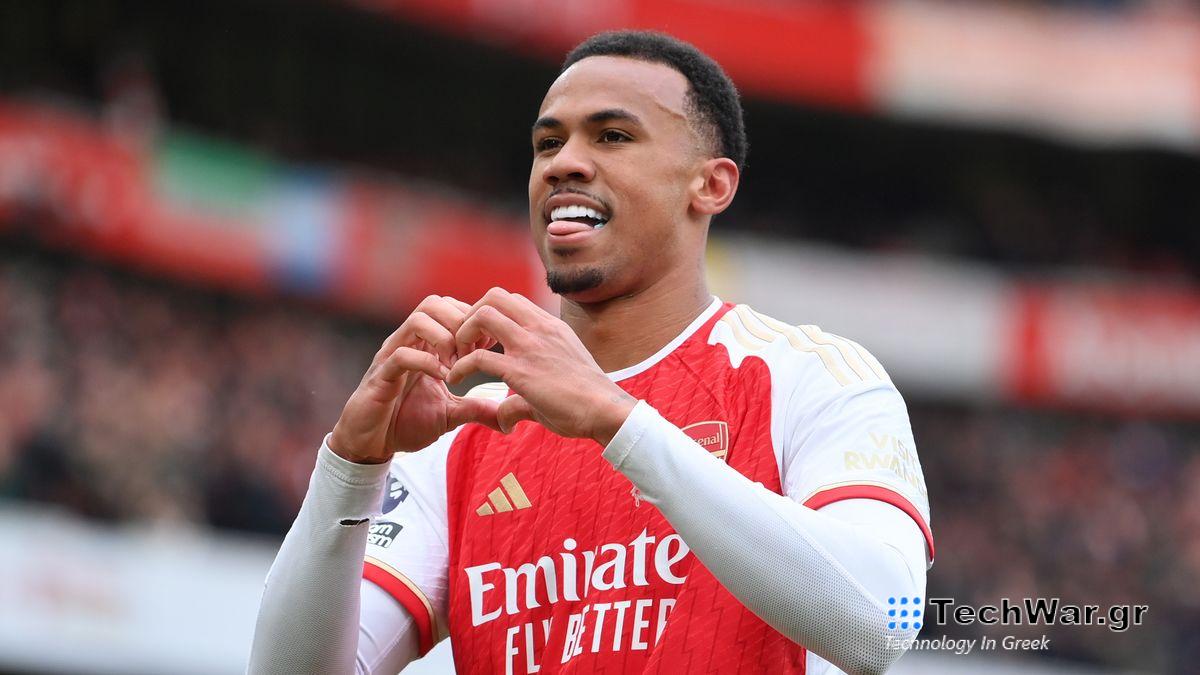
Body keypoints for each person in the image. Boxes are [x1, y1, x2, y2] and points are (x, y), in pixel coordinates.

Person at [249, 30, 933, 675]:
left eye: (612, 135)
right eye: (547, 144)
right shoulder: (465, 431)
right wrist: (351, 466)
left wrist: (618, 421)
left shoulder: (810, 376)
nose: (564, 163)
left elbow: (881, 623)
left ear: (711, 185)